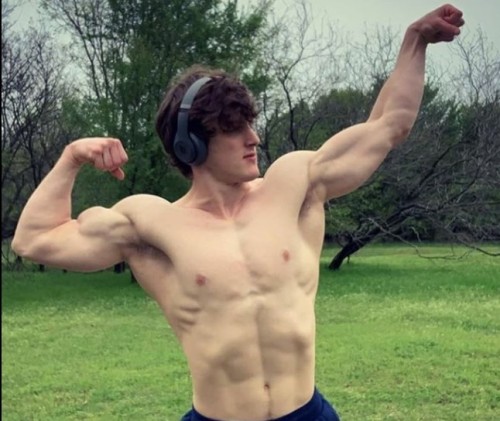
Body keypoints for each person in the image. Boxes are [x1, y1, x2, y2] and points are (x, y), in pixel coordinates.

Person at [12, 4, 464, 421]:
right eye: (233, 128)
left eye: (251, 123)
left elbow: (389, 125)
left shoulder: (294, 185)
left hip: (307, 413)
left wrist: (416, 41)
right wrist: (71, 158)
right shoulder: (150, 224)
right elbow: (34, 240)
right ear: (190, 144)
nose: (253, 138)